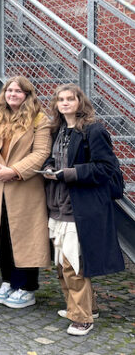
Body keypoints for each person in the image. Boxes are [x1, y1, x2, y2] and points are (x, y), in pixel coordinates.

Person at [41, 84, 124, 336]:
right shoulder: (57, 130)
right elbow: (56, 158)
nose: (65, 103)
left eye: (70, 99)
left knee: (72, 264)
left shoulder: (94, 130)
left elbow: (105, 168)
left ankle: (82, 318)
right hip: (58, 202)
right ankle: (84, 306)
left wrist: (69, 174)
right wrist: (48, 167)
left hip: (81, 205)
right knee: (61, 263)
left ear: (80, 102)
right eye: (60, 99)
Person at [0, 76, 52, 309]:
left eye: (18, 91)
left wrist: (15, 170)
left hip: (24, 188)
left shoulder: (39, 120)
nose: (13, 94)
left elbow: (41, 152)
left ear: (27, 95)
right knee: (0, 236)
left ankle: (26, 287)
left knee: (25, 238)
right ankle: (8, 281)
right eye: (9, 90)